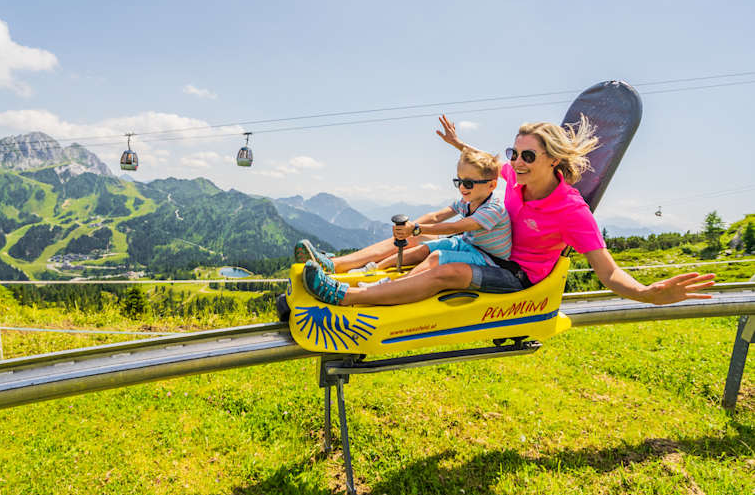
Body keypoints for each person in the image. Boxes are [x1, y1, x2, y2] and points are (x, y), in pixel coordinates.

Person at [300, 114, 715, 307]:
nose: (517, 162)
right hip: (486, 251)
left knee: (448, 271)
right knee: (422, 243)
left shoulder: (572, 211)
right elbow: (487, 165)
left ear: (554, 160)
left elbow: (608, 272)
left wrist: (646, 294)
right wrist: (459, 145)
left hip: (518, 275)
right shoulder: (515, 176)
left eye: (527, 155)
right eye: (514, 153)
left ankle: (347, 297)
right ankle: (334, 264)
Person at [292, 150, 509, 275]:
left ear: (491, 185)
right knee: (416, 246)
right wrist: (409, 228)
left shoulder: (493, 208)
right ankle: (357, 268)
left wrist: (416, 229)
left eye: (468, 183)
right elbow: (436, 216)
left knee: (433, 255)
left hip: (487, 258)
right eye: (459, 181)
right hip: (468, 244)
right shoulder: (467, 199)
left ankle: (393, 284)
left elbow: (454, 226)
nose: (462, 187)